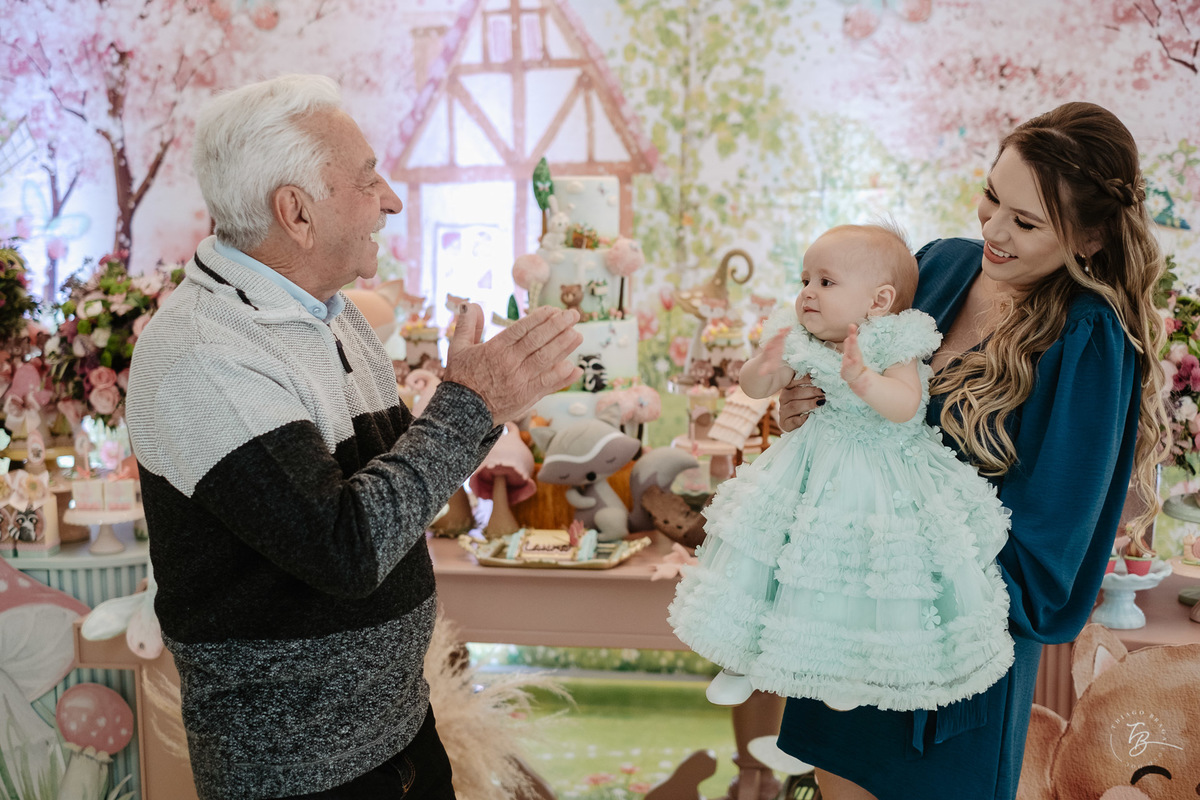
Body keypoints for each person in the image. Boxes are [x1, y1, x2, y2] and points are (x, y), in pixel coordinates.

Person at [125, 74, 583, 800]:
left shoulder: (328, 313)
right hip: (301, 770)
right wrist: (472, 404)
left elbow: (401, 493)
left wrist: (481, 406)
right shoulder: (203, 356)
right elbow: (346, 548)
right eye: (368, 180)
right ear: (296, 212)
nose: (392, 200)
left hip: (399, 729)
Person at [771, 103, 1168, 800]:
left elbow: (1045, 565)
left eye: (1026, 222)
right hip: (843, 632)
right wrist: (805, 413)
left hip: (948, 670)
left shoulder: (1089, 341)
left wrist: (897, 555)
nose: (993, 230)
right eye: (991, 198)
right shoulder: (940, 268)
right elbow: (858, 415)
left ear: (1094, 234)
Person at [668, 223, 1014, 714]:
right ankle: (738, 657)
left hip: (881, 475)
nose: (808, 293)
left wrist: (864, 381)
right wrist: (763, 364)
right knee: (765, 559)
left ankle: (847, 667)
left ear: (878, 301)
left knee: (854, 573)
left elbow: (904, 404)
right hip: (809, 466)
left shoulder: (893, 341)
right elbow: (757, 388)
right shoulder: (802, 338)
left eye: (825, 283)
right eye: (804, 280)